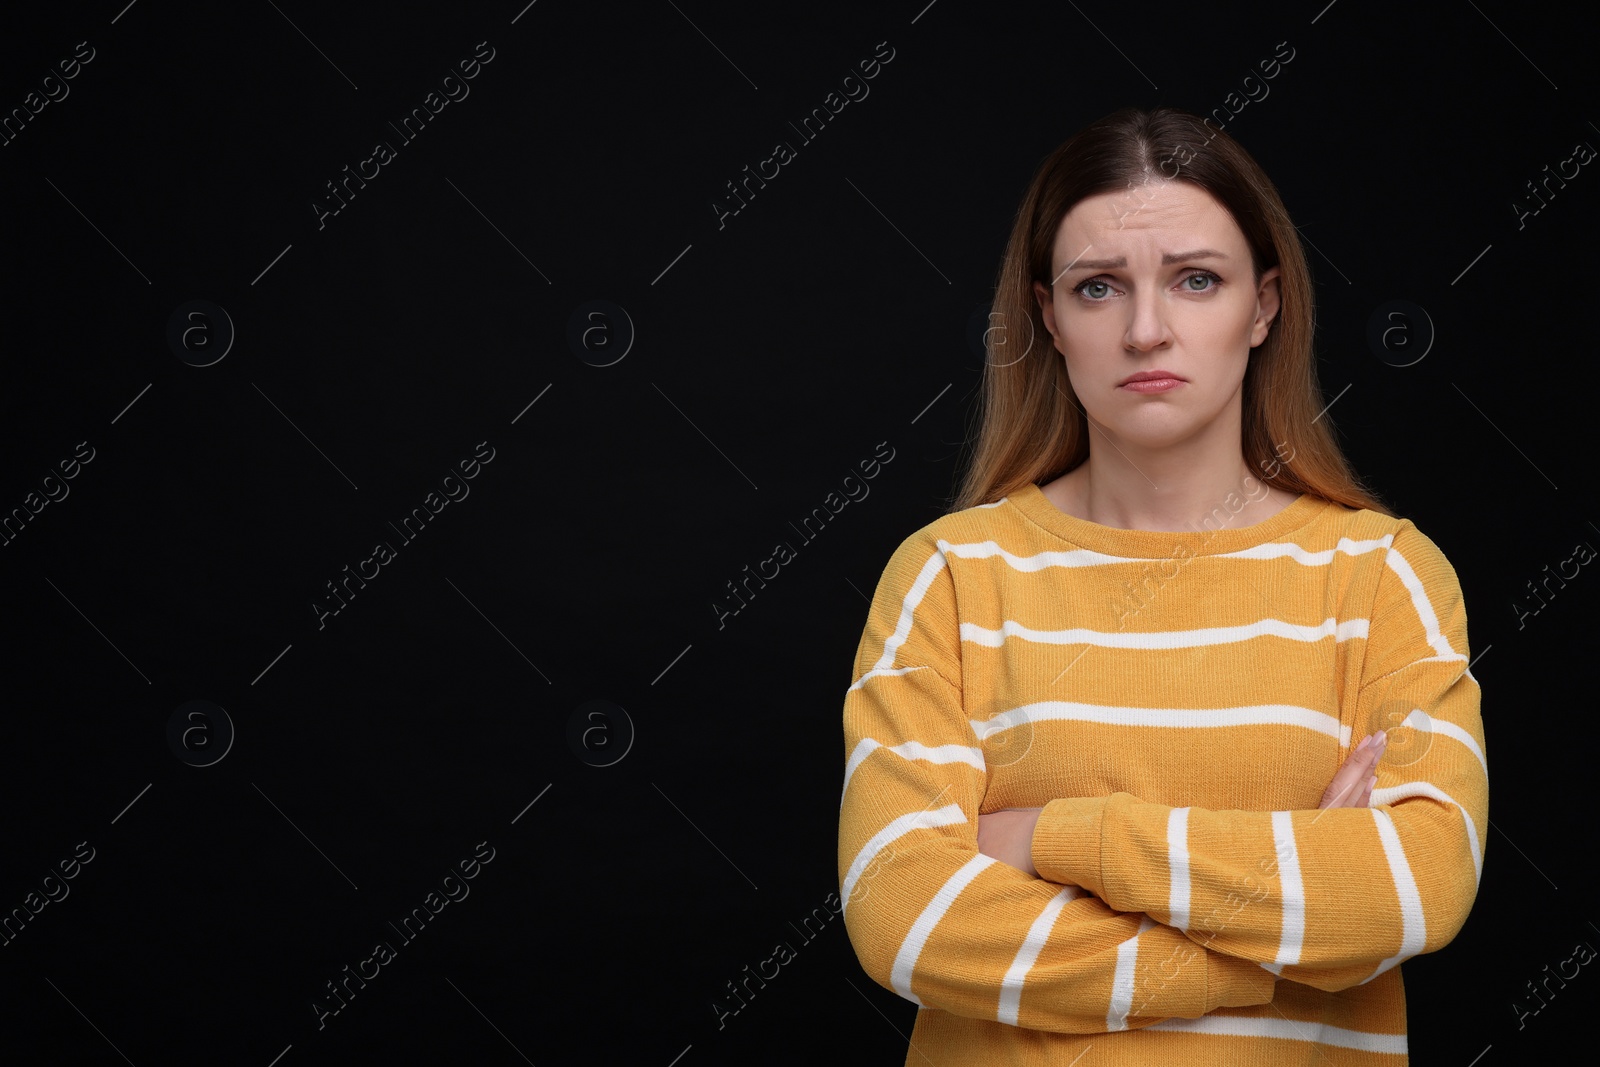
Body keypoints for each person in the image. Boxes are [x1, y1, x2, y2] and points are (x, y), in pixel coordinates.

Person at [836, 106, 1486, 1066]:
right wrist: (1284, 932)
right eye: (1099, 287)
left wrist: (1048, 836)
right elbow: (905, 915)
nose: (1147, 330)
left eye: (1196, 280)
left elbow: (1416, 887)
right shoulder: (948, 577)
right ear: (1049, 317)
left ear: (1263, 305)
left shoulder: (1383, 574)